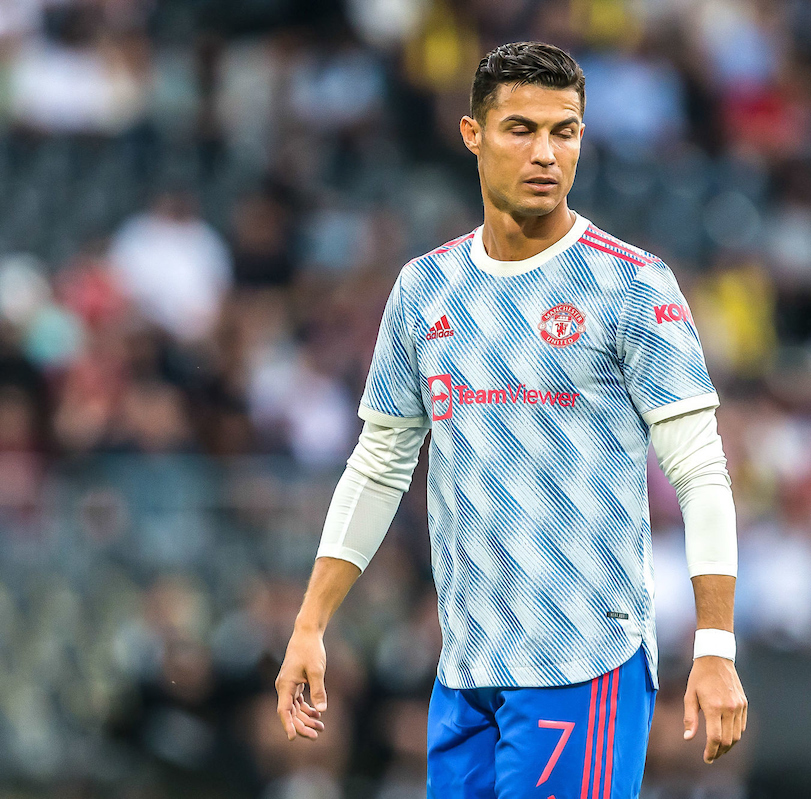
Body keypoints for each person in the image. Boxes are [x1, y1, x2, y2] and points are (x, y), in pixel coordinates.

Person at [274, 41, 746, 798]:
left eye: (564, 131)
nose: (546, 153)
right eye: (521, 129)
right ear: (473, 134)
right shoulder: (425, 289)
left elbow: (701, 471)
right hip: (466, 672)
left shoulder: (631, 286)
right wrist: (310, 624)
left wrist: (715, 646)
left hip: (581, 661)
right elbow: (379, 462)